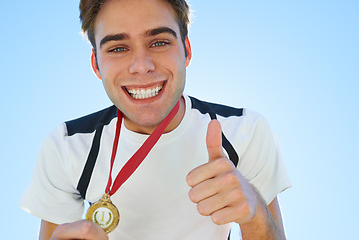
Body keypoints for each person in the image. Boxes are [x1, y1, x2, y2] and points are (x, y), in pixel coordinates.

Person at [20, 0, 291, 239]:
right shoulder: (66, 146)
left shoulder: (244, 130)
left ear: (186, 50)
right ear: (96, 65)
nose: (142, 65)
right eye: (117, 48)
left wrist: (254, 211)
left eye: (159, 42)